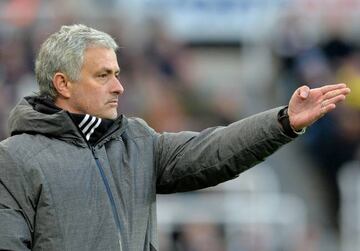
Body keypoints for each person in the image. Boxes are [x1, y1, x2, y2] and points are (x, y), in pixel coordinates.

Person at [0, 24, 351, 251]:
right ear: (62, 84)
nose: (119, 86)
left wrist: (284, 122)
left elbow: (213, 150)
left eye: (117, 74)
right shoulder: (14, 158)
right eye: (103, 75)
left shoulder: (136, 141)